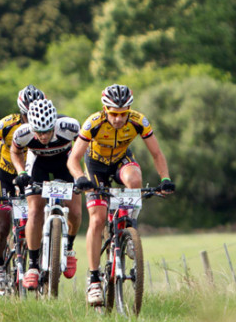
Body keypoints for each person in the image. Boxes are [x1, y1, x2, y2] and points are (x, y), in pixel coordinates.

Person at [68, 84, 176, 306]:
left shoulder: (139, 121)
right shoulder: (93, 123)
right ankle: (94, 279)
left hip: (120, 160)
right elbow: (73, 158)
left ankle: (128, 225)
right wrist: (80, 177)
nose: (118, 119)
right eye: (113, 114)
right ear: (105, 109)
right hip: (96, 165)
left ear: (129, 110)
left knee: (134, 179)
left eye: (122, 114)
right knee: (97, 219)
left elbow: (156, 153)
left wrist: (165, 178)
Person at [10, 98, 81, 290]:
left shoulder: (70, 127)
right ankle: (33, 266)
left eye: (48, 131)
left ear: (54, 125)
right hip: (38, 164)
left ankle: (69, 249)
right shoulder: (23, 133)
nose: (43, 136)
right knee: (34, 210)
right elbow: (15, 152)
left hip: (65, 163)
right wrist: (21, 172)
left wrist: (82, 175)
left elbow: (85, 148)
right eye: (39, 132)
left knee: (74, 209)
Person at [0, 85, 44, 292]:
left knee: (34, 218)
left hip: (30, 173)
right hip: (5, 175)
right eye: (27, 115)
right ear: (21, 112)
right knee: (3, 226)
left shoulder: (45, 125)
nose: (31, 118)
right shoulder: (6, 125)